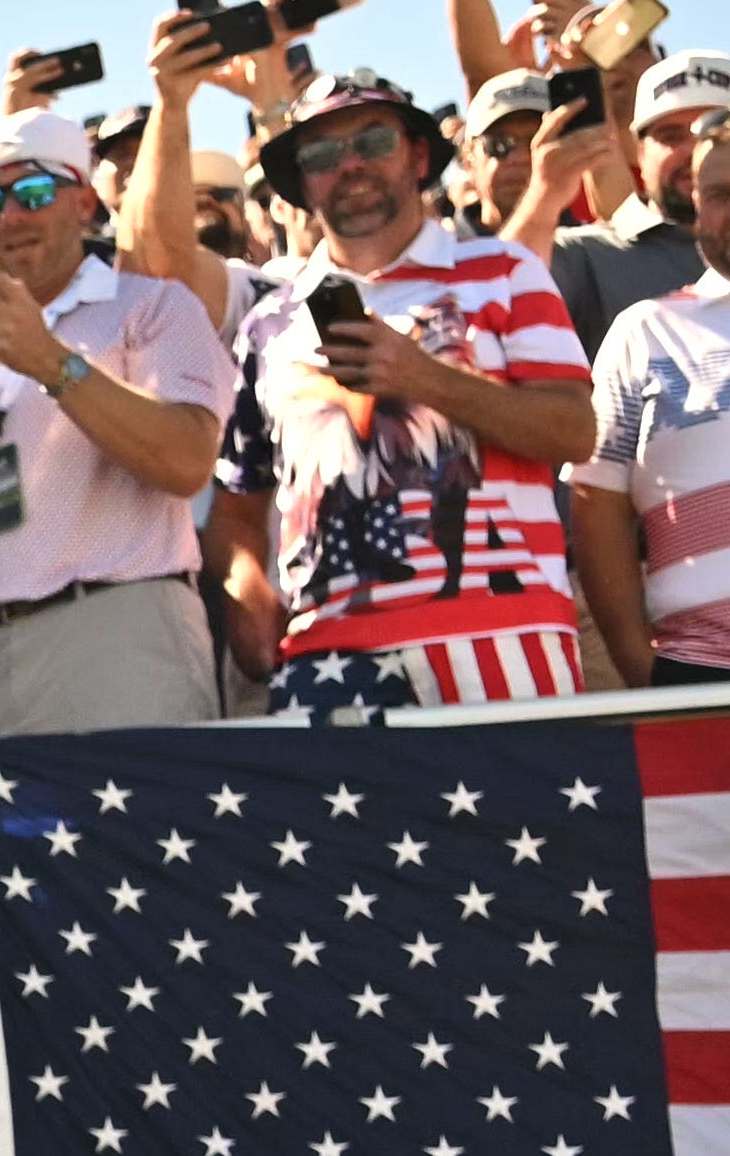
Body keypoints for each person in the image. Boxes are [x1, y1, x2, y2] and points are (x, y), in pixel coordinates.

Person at [216, 68, 595, 710]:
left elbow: (572, 431)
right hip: (326, 655)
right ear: (302, 183)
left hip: (503, 640)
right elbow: (236, 505)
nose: (352, 165)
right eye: (323, 155)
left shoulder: (505, 270)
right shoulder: (267, 322)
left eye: (373, 141)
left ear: (419, 156)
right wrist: (246, 593)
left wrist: (426, 378)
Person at [0, 111, 237, 739]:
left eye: (33, 193)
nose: (12, 217)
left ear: (84, 202)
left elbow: (188, 462)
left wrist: (53, 364)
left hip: (123, 629)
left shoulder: (152, 305)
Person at [576, 132, 730, 687]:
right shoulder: (645, 331)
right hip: (697, 675)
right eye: (717, 194)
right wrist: (642, 669)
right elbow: (597, 503)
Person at [558, 52, 730, 362]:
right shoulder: (582, 255)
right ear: (639, 152)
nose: (694, 152)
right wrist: (544, 194)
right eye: (670, 136)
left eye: (714, 133)